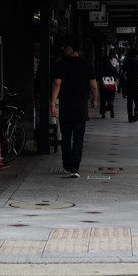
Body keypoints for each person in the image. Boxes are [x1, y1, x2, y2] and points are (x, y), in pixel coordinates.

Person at [50, 36, 97, 177]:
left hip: (65, 107)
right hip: (80, 108)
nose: (64, 50)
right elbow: (94, 86)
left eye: (66, 47)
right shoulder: (87, 64)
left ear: (70, 48)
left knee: (65, 137)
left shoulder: (61, 64)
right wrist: (94, 100)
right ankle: (75, 167)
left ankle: (67, 164)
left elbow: (57, 84)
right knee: (78, 138)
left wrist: (53, 102)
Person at [121, 47, 138, 122]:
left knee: (129, 102)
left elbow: (123, 73)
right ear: (137, 54)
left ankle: (130, 117)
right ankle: (137, 112)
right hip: (137, 85)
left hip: (129, 84)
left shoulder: (126, 61)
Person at [97, 54, 118, 118]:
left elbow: (98, 77)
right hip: (111, 87)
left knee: (103, 100)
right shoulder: (113, 68)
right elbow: (115, 78)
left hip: (103, 86)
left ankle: (103, 113)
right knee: (111, 98)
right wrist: (116, 86)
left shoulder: (100, 68)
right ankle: (110, 106)